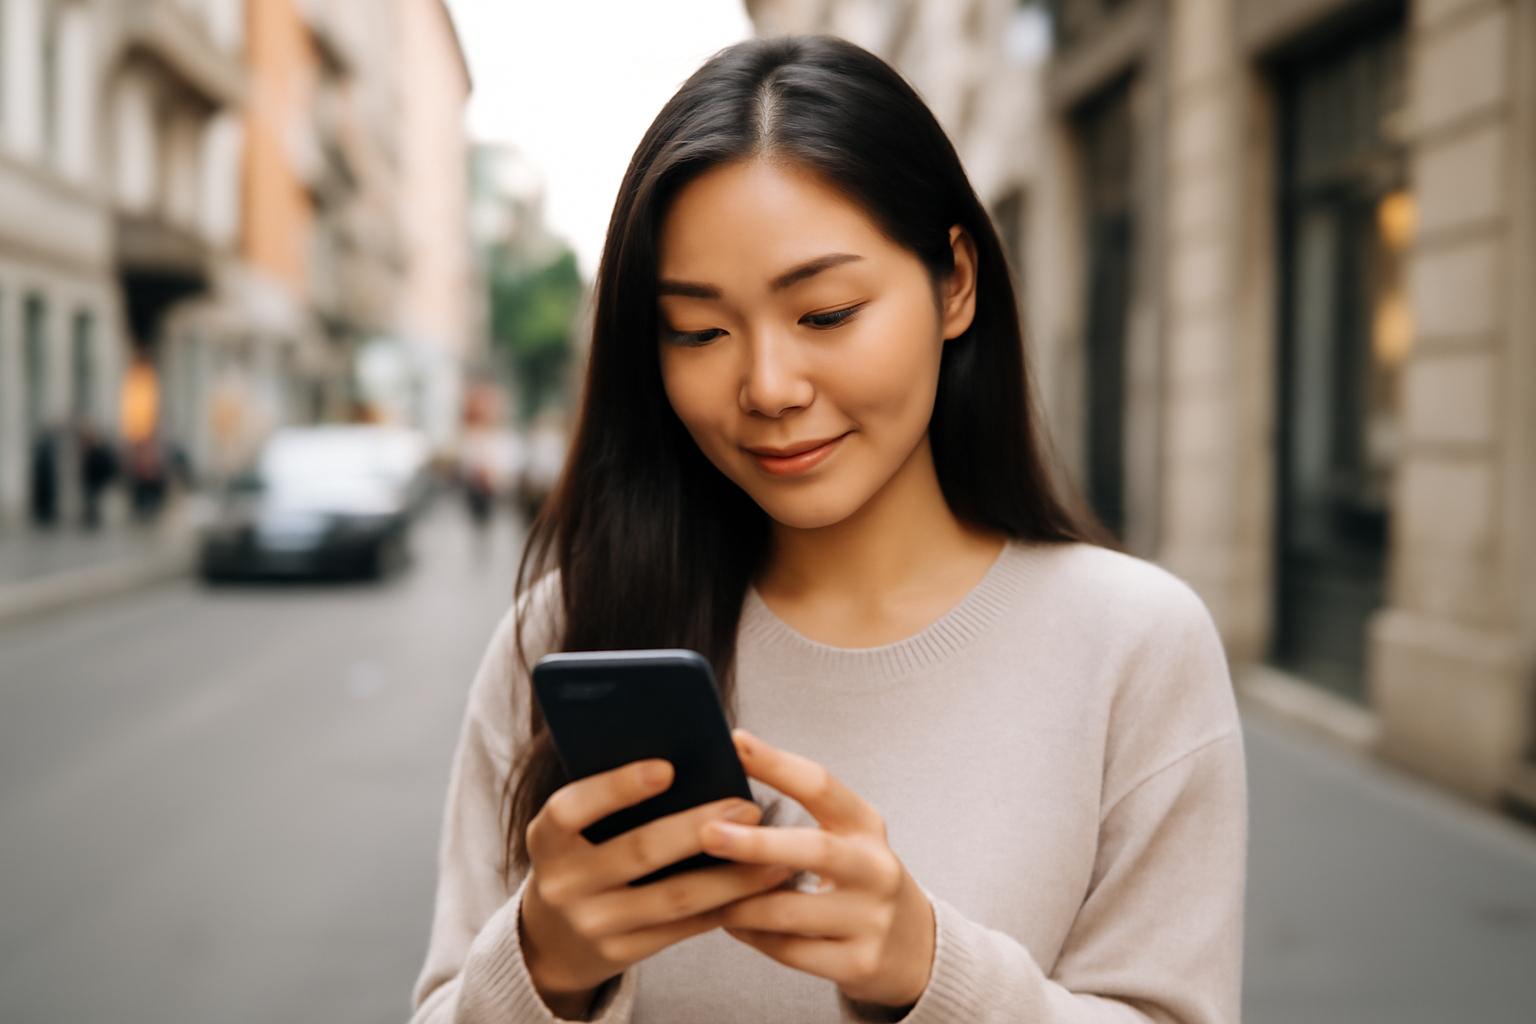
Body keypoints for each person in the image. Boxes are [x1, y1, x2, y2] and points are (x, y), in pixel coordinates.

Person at [410, 35, 1246, 1024]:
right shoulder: (566, 632)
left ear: (956, 284)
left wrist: (933, 971)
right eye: (699, 331)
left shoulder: (1134, 643)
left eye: (826, 312)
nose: (767, 387)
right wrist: (541, 961)